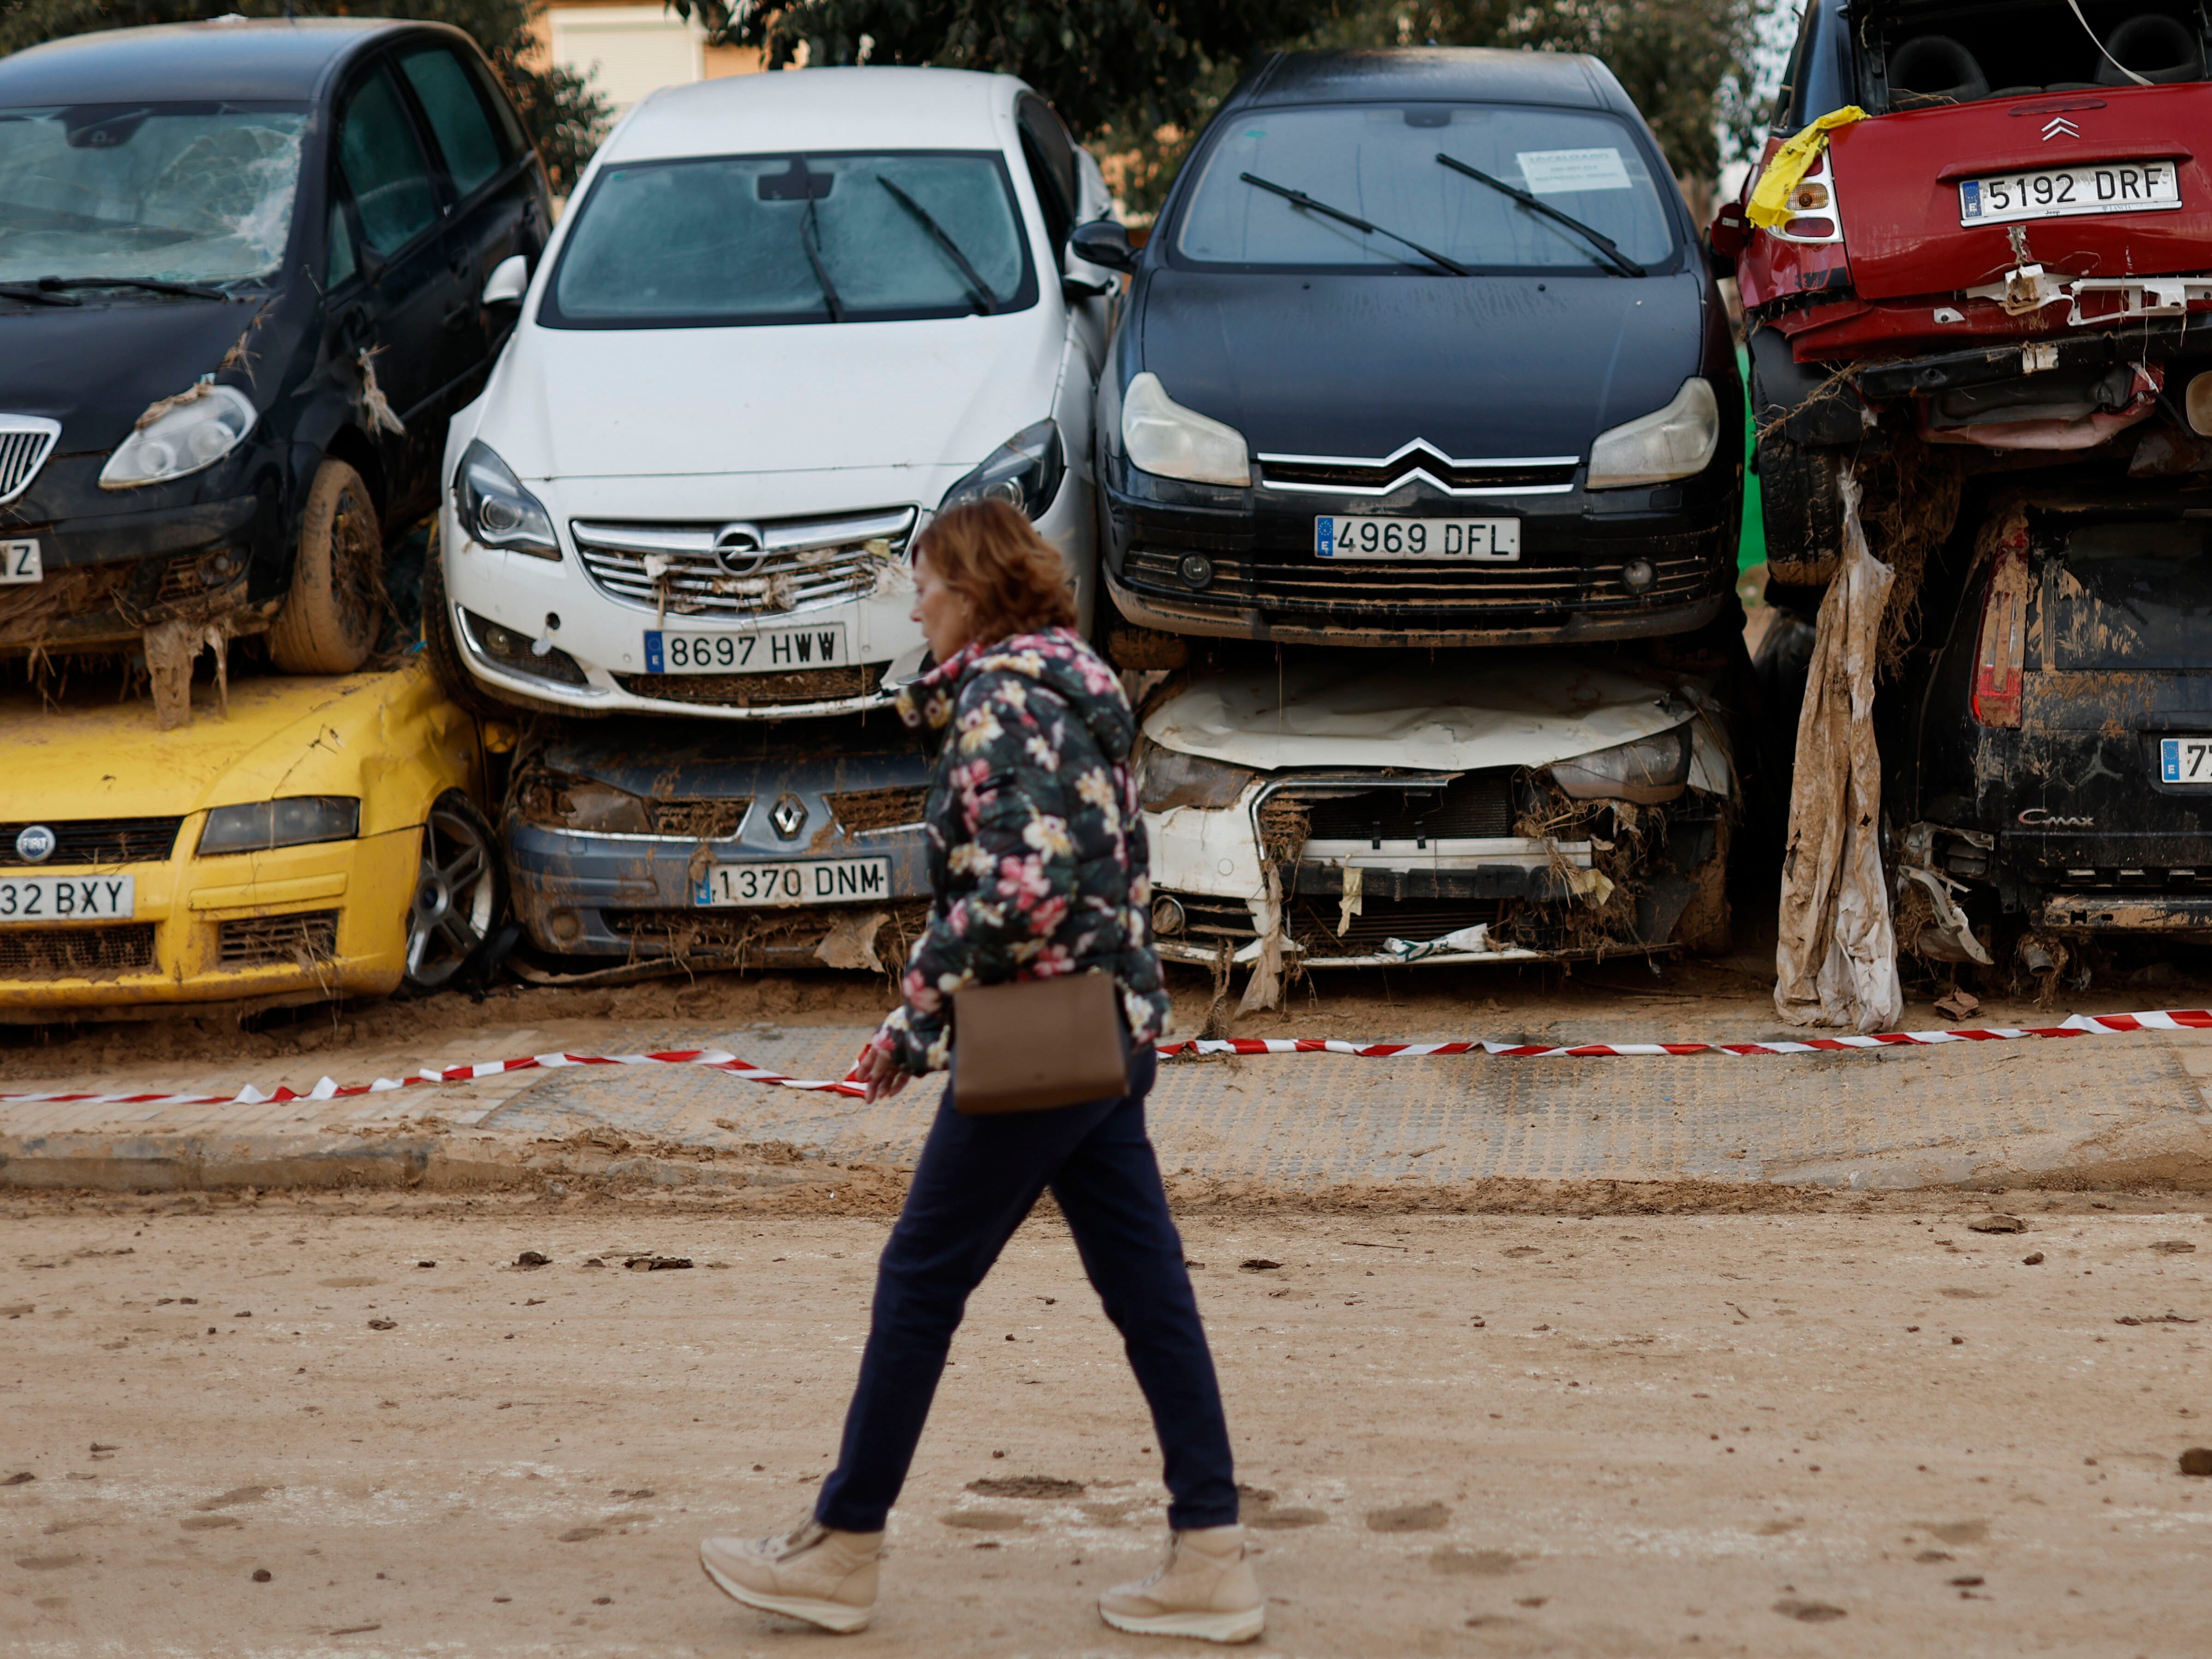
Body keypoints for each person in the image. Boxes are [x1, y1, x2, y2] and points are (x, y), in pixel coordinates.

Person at [697, 500, 1263, 1644]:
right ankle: (1209, 1553)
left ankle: (845, 1546)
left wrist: (912, 1021)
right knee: (1148, 1293)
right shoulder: (1078, 685)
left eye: (928, 586)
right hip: (1107, 1027)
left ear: (977, 590)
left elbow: (1018, 890)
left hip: (1038, 1035)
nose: (916, 605)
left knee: (920, 1277)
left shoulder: (1003, 701)